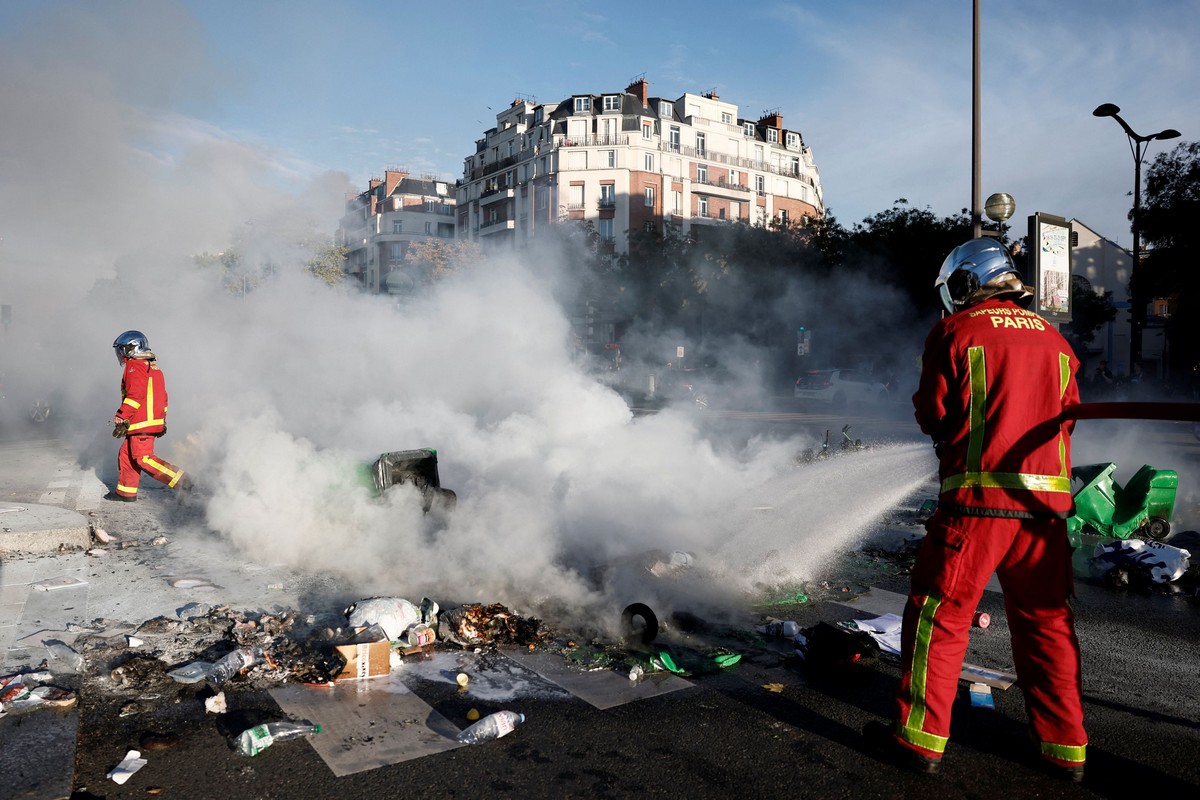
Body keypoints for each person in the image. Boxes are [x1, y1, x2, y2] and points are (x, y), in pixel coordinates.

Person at [864, 238, 1086, 782]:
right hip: (1045, 514)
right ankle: (1067, 751)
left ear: (967, 282)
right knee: (1048, 626)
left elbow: (933, 411)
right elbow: (1069, 418)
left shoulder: (958, 331)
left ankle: (920, 741)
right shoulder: (1057, 342)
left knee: (939, 618)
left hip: (978, 505)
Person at [106, 330, 192, 502]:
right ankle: (125, 493)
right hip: (146, 420)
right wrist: (161, 421)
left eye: (122, 350)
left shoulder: (134, 366)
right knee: (127, 454)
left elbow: (135, 395)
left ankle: (182, 481)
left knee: (143, 458)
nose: (120, 354)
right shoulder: (151, 366)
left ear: (132, 348)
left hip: (141, 421)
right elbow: (163, 397)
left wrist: (122, 416)